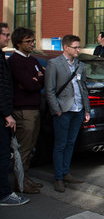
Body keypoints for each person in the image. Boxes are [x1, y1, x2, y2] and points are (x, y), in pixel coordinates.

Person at [45, 35, 90, 193]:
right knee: (60, 145)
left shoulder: (80, 65)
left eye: (79, 47)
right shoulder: (54, 64)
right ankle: (58, 178)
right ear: (66, 47)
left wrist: (87, 109)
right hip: (63, 111)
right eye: (75, 47)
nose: (78, 50)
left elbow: (84, 88)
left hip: (78, 110)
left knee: (71, 143)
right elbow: (50, 90)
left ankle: (66, 172)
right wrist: (56, 110)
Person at [9, 27, 45, 194]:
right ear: (18, 43)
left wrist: (36, 79)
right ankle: (20, 182)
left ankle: (26, 177)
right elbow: (31, 85)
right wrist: (36, 79)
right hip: (23, 110)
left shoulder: (33, 60)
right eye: (28, 41)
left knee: (31, 147)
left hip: (35, 108)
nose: (32, 44)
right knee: (24, 148)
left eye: (33, 41)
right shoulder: (15, 61)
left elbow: (41, 79)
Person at [0, 22, 29, 206]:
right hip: (2, 115)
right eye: (5, 35)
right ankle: (4, 194)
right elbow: (1, 88)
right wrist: (6, 114)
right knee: (3, 155)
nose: (7, 38)